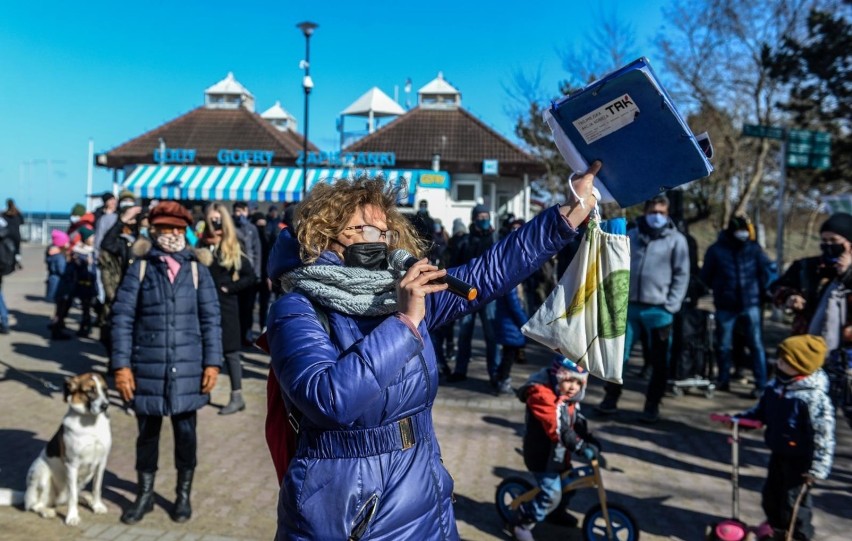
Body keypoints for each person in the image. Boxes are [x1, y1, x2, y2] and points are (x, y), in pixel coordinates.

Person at [265, 164, 600, 540]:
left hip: (422, 485)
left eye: (384, 231)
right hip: (351, 506)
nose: (379, 240)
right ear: (323, 236)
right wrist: (405, 323)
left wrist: (566, 216)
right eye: (363, 229)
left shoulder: (395, 294)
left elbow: (488, 273)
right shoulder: (296, 307)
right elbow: (328, 400)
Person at [110, 201, 222, 524]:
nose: (170, 234)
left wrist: (213, 363)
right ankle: (144, 496)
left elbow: (211, 320)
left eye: (176, 228)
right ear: (153, 230)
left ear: (184, 230)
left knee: (186, 435)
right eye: (164, 228)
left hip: (189, 369)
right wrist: (121, 367)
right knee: (147, 436)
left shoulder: (198, 270)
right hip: (146, 368)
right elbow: (122, 319)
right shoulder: (140, 267)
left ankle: (182, 495)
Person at [596, 195, 689, 422]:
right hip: (629, 309)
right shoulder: (632, 236)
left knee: (659, 361)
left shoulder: (677, 241)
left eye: (661, 212)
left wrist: (671, 305)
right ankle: (610, 398)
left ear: (667, 215)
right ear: (645, 212)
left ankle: (652, 405)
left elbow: (682, 274)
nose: (657, 216)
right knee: (618, 357)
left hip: (659, 311)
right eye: (653, 211)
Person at [733, 334, 835, 541]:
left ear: (800, 366)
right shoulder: (776, 386)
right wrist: (739, 420)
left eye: (785, 360)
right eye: (779, 358)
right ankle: (777, 529)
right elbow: (760, 411)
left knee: (793, 501)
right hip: (779, 451)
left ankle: (798, 535)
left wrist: (818, 467)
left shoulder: (812, 397)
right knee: (771, 495)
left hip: (802, 460)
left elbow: (823, 435)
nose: (778, 363)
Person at [511, 357, 602, 541]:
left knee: (569, 484)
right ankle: (523, 521)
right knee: (551, 494)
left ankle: (555, 513)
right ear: (557, 375)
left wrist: (588, 439)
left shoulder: (567, 396)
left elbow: (576, 421)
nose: (573, 387)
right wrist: (581, 447)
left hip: (559, 454)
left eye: (578, 382)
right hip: (542, 455)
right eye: (569, 379)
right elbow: (558, 430)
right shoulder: (541, 395)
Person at [701, 215, 773, 396]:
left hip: (751, 304)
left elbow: (767, 272)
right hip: (726, 305)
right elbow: (706, 276)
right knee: (724, 345)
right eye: (741, 231)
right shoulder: (716, 250)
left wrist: (768, 292)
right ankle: (723, 380)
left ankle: (761, 384)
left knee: (756, 345)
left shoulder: (754, 249)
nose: (744, 234)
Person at [199, 204, 256, 415]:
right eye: (210, 219)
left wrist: (229, 288)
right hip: (204, 305)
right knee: (204, 348)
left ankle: (237, 396)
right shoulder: (202, 243)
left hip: (226, 306)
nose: (214, 224)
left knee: (231, 352)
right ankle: (203, 391)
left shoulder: (231, 245)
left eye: (217, 219)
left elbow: (250, 276)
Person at [806, 212, 852, 426]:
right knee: (823, 409)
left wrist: (847, 275)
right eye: (824, 241)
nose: (828, 246)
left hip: (848, 356)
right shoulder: (820, 269)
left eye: (834, 241)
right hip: (824, 353)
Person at [447, 203, 500, 384]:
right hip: (467, 295)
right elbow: (454, 268)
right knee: (464, 334)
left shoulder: (496, 240)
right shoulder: (465, 241)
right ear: (474, 218)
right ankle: (460, 370)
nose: (484, 219)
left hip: (490, 295)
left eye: (486, 216)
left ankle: (495, 374)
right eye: (480, 216)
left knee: (492, 335)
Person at [493, 218, 530, 395]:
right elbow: (514, 303)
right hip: (511, 323)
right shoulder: (512, 277)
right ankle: (503, 383)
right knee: (508, 356)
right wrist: (524, 322)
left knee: (508, 355)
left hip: (509, 322)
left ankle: (500, 377)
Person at [49, 227, 97, 339]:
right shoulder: (64, 256)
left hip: (83, 284)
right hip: (73, 285)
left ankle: (64, 326)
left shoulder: (89, 252)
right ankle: (58, 329)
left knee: (82, 308)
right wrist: (78, 264)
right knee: (62, 309)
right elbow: (63, 270)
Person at [233, 201, 261, 345]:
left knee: (249, 307)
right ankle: (238, 335)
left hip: (250, 274)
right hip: (235, 273)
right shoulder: (231, 228)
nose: (240, 214)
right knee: (236, 307)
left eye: (242, 211)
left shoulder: (252, 229)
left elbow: (257, 252)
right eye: (237, 211)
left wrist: (257, 273)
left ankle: (247, 333)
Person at [45, 230, 69, 303]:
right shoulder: (59, 257)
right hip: (58, 282)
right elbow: (62, 270)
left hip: (52, 279)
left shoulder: (52, 254)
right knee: (59, 300)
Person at [3, 198, 24, 266]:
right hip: (16, 234)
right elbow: (22, 222)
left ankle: (6, 260)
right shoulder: (18, 213)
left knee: (5, 247)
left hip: (7, 234)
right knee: (17, 249)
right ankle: (17, 261)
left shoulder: (4, 214)